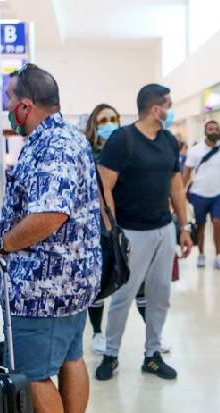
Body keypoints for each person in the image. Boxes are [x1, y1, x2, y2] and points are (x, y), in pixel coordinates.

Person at [0, 64, 101, 413]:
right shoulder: (68, 137)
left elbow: (49, 214)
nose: (8, 109)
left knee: (33, 372)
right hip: (72, 279)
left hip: (45, 285)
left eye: (10, 101)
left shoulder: (52, 147)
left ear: (25, 106)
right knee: (70, 358)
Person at [95, 84, 193, 381]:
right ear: (155, 109)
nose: (171, 110)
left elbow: (176, 186)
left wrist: (184, 226)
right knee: (123, 297)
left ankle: (152, 355)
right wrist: (113, 231)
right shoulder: (122, 140)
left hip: (163, 229)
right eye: (169, 105)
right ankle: (111, 354)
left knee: (160, 294)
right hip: (131, 233)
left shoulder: (169, 141)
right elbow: (104, 187)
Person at [82, 103, 150, 355]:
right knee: (101, 281)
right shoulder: (86, 153)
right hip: (96, 227)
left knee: (139, 280)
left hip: (129, 222)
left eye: (113, 119)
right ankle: (97, 333)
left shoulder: (128, 150)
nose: (109, 124)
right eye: (103, 120)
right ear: (93, 124)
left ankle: (152, 333)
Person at [182, 120, 220, 270]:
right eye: (210, 129)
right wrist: (180, 192)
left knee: (217, 223)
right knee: (200, 226)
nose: (213, 131)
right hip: (198, 194)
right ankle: (201, 254)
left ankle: (219, 256)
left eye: (216, 129)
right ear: (205, 132)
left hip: (217, 194)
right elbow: (186, 172)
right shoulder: (195, 150)